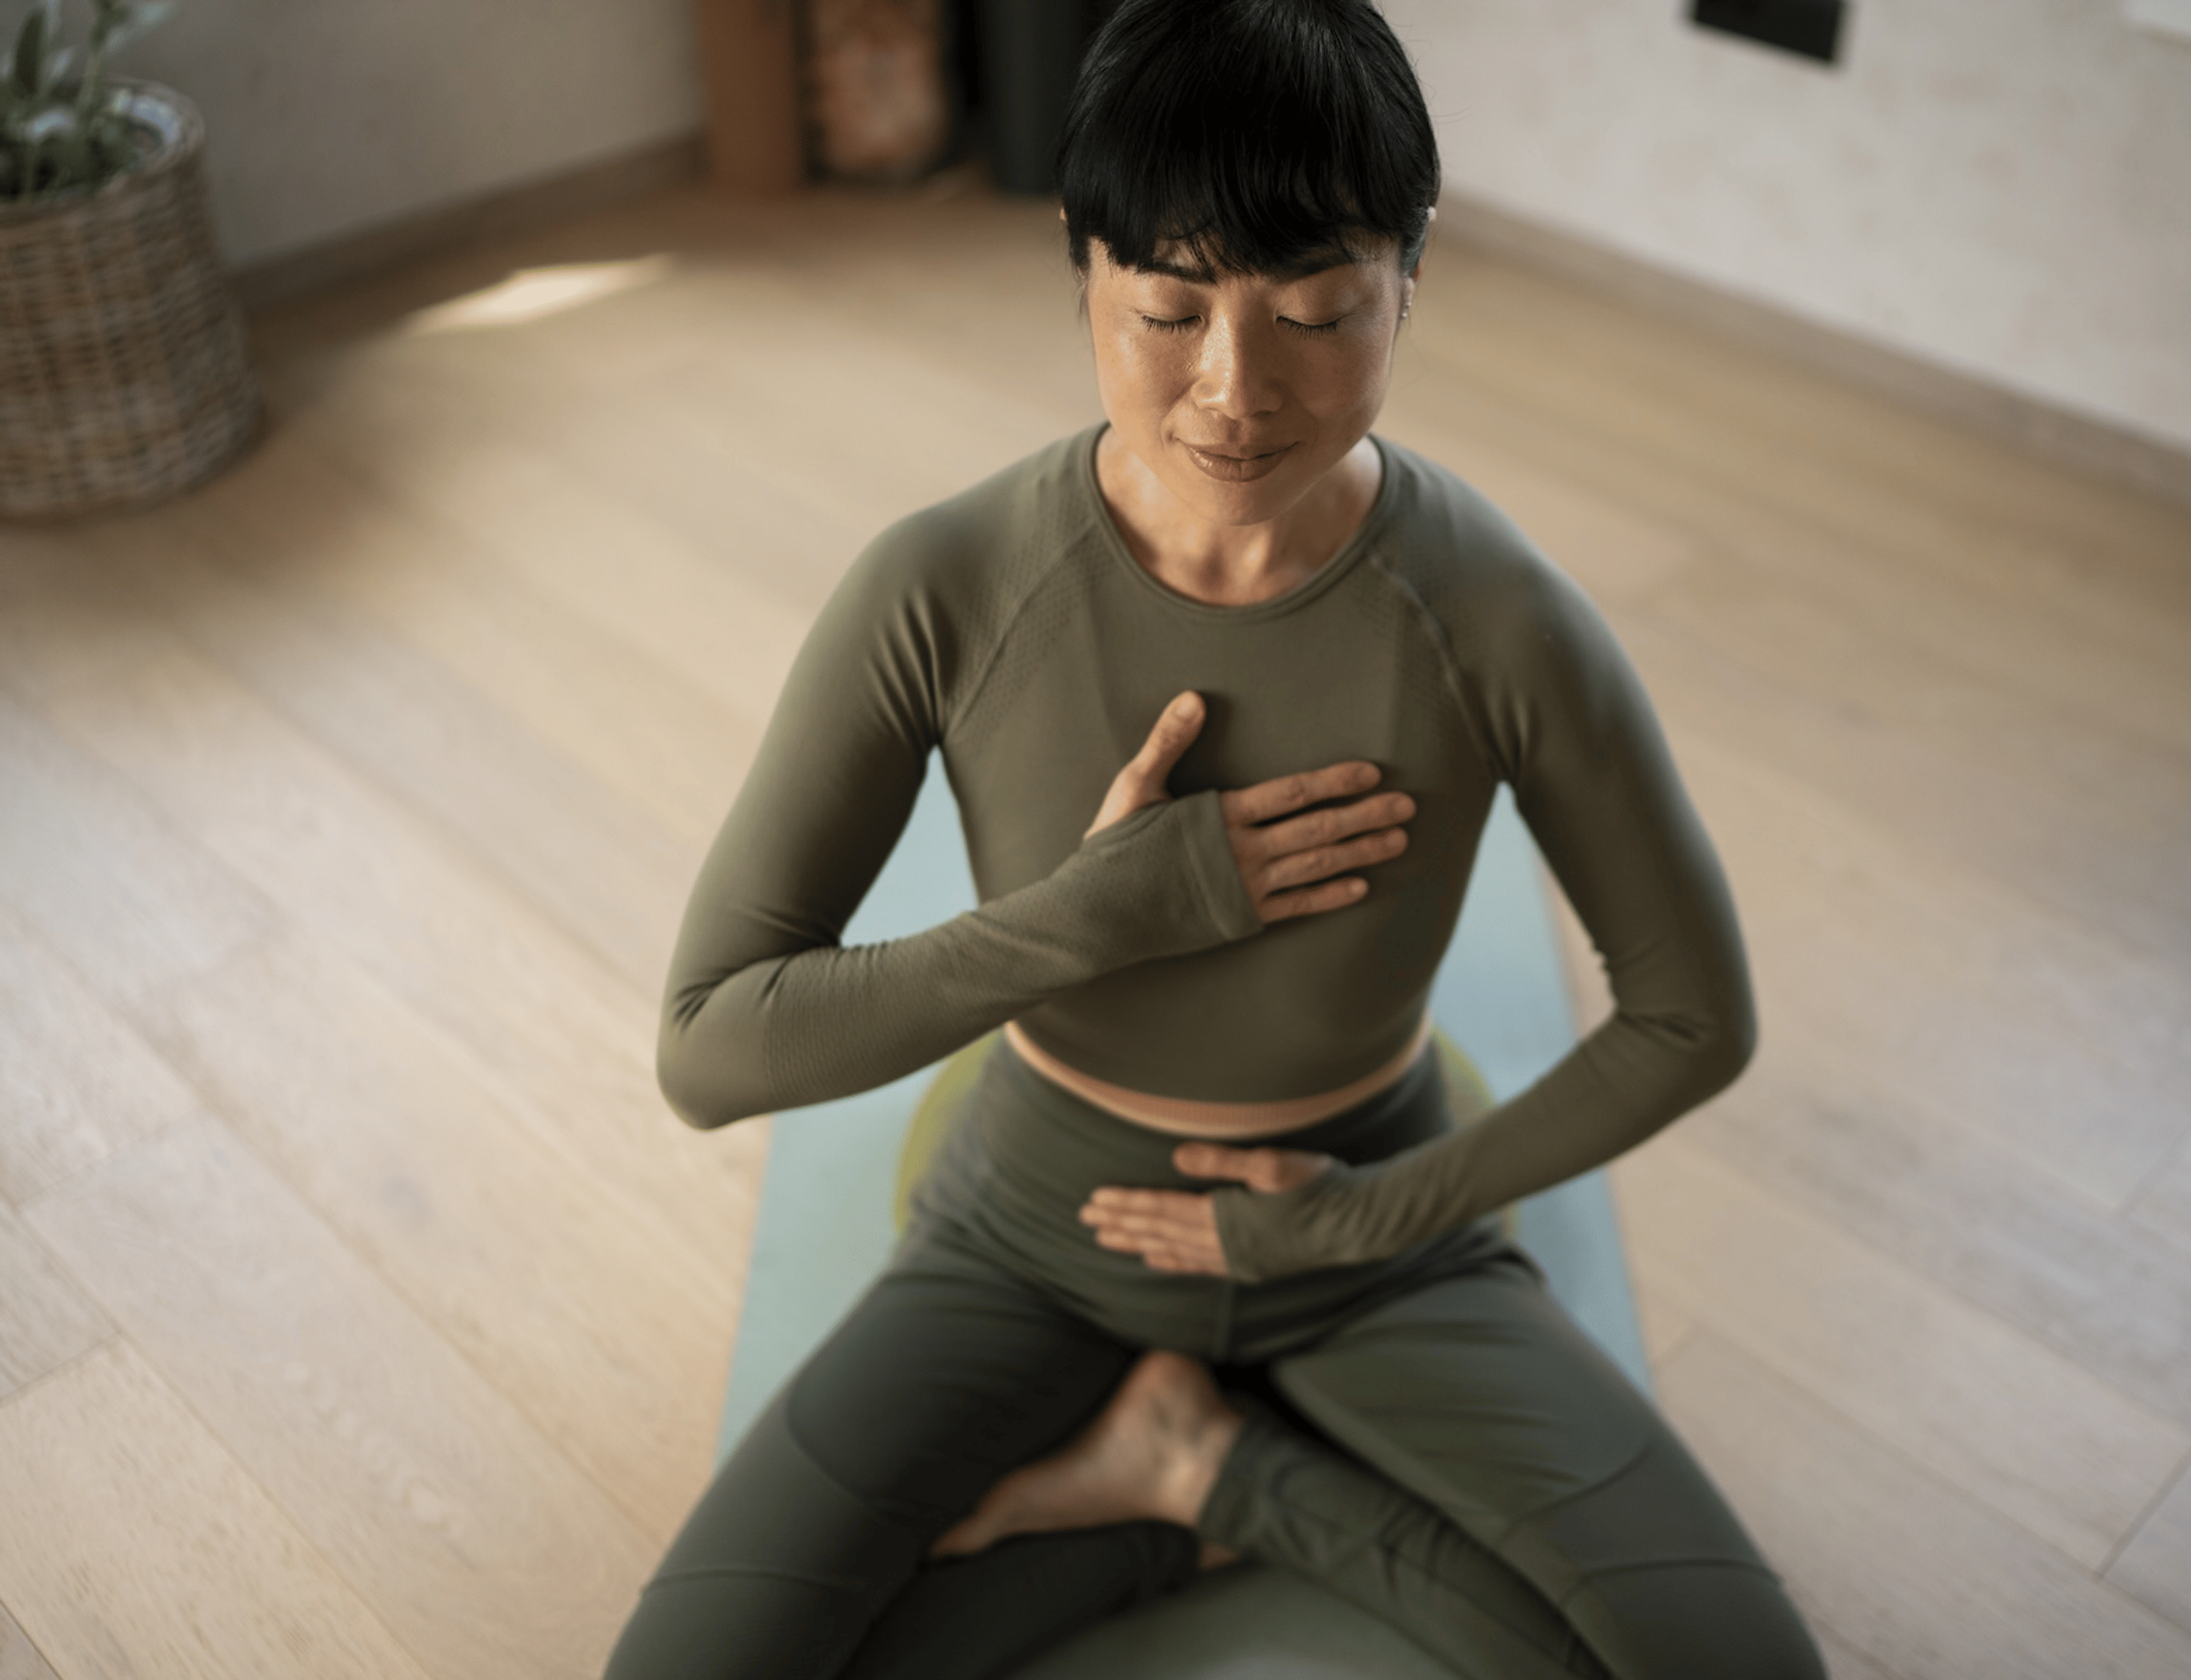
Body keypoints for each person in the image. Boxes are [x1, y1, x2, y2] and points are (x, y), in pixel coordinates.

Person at [604, 2, 1827, 1676]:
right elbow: (704, 1049)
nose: (1235, 388)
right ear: (1081, 264)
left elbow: (1698, 1017)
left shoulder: (1504, 617)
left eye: (1318, 309)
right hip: (1037, 1221)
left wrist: (1362, 1218)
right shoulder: (942, 585)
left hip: (1375, 1210)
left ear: (1410, 274)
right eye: (1168, 308)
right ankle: (1155, 1507)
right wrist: (1087, 917)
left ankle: (1208, 1474)